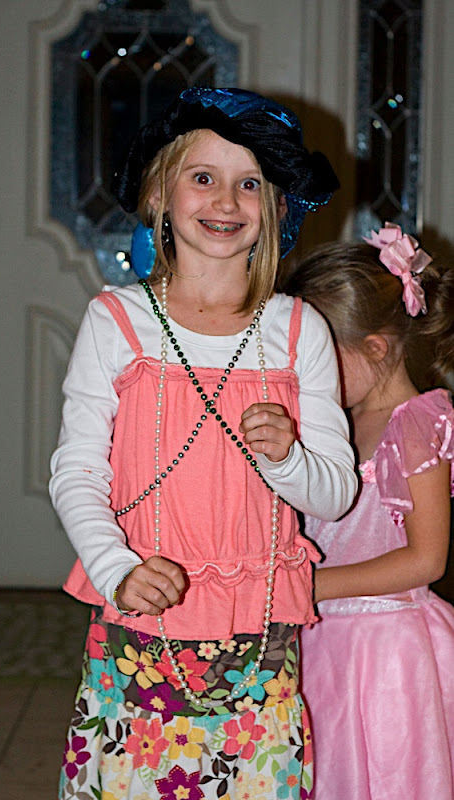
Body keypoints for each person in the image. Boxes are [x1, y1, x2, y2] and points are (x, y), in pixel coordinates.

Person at [49, 86, 357, 800]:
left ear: (274, 206)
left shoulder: (296, 330)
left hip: (257, 627)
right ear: (160, 194)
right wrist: (114, 566)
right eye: (203, 177)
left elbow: (335, 493)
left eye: (249, 183)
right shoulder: (116, 321)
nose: (226, 199)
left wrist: (287, 458)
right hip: (143, 612)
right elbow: (76, 469)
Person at [280, 225, 454, 800]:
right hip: (322, 637)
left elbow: (426, 559)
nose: (301, 375)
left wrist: (313, 585)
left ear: (375, 349)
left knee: (381, 775)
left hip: (384, 654)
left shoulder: (417, 424)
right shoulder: (337, 422)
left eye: (316, 358)